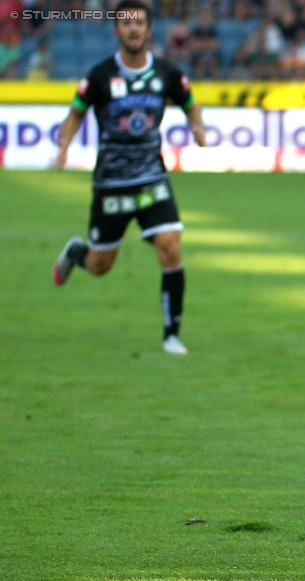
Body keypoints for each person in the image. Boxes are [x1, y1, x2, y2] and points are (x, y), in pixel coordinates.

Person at [53, 0, 205, 355]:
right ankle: (78, 253)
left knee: (170, 246)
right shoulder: (100, 75)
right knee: (100, 266)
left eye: (138, 23)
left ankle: (172, 334)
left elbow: (190, 102)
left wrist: (196, 126)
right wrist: (63, 145)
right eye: (126, 24)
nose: (133, 29)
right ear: (116, 31)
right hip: (112, 184)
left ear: (149, 30)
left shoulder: (167, 73)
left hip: (152, 178)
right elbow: (75, 114)